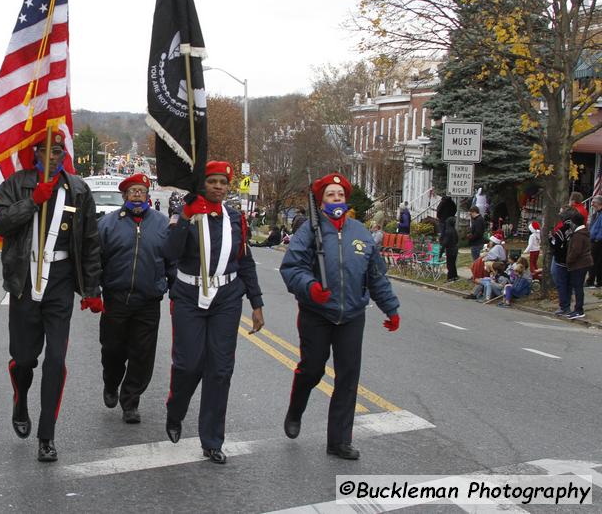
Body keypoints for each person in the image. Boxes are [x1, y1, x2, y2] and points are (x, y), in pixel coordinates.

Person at [0, 130, 103, 463]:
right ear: (36, 152)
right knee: (25, 359)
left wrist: (93, 289)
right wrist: (31, 202)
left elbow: (90, 242)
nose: (51, 157)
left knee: (56, 360)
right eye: (45, 151)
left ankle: (47, 435)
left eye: (57, 151)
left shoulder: (78, 189)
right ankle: (20, 398)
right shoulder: (16, 184)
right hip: (25, 282)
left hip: (60, 282)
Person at [280, 172, 400, 461]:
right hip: (317, 313)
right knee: (312, 369)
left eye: (340, 195)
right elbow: (291, 268)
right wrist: (310, 287)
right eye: (331, 195)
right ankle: (296, 409)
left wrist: (390, 307)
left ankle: (339, 441)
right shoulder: (308, 231)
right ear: (322, 201)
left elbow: (375, 276)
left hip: (352, 315)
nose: (336, 199)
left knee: (348, 376)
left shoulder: (360, 233)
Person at [163, 161, 264, 465]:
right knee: (189, 364)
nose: (218, 186)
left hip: (227, 298)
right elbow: (170, 253)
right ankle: (176, 409)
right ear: (202, 184)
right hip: (189, 296)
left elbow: (244, 260)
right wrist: (185, 217)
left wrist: (256, 303)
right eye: (212, 181)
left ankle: (211, 440)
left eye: (223, 182)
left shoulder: (235, 217)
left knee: (220, 370)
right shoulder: (187, 213)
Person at [96, 173, 172, 424]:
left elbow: (172, 261)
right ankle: (111, 382)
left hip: (148, 301)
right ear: (124, 196)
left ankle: (130, 401)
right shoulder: (107, 224)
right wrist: (92, 290)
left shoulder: (162, 224)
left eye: (141, 191)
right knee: (113, 349)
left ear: (148, 195)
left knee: (142, 354)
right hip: (116, 299)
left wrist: (173, 289)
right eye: (133, 191)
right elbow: (96, 261)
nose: (137, 195)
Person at [563, 211, 591, 320]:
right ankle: (577, 309)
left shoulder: (579, 235)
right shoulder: (582, 232)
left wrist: (568, 260)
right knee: (577, 286)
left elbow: (576, 251)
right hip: (582, 263)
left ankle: (579, 310)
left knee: (578, 287)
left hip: (580, 264)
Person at [587, 197, 602, 287]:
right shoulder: (595, 214)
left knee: (597, 262)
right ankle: (591, 280)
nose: (592, 204)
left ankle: (595, 281)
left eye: (594, 202)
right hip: (592, 240)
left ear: (600, 203)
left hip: (598, 242)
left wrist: (597, 238)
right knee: (592, 261)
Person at [440, 215, 460, 281]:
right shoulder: (454, 230)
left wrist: (441, 252)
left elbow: (445, 243)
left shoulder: (448, 231)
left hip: (450, 249)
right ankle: (455, 276)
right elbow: (457, 240)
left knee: (449, 264)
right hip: (455, 248)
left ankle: (450, 277)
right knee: (453, 263)